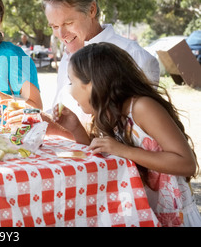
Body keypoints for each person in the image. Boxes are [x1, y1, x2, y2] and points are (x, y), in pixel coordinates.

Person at [53, 42, 201, 227]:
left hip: (173, 216)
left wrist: (124, 151)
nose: (69, 89)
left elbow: (187, 164)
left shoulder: (141, 108)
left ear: (92, 84)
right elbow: (104, 155)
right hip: (142, 212)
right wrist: (75, 128)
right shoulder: (111, 113)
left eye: (71, 81)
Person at [7, 0, 160, 135]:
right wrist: (36, 116)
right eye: (54, 26)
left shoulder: (136, 58)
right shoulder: (68, 54)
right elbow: (62, 110)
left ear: (91, 10)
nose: (61, 34)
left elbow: (131, 140)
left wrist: (56, 129)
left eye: (68, 23)